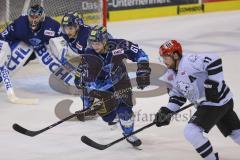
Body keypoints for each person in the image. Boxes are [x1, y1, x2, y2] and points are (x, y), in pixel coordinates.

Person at [155, 40, 240, 159]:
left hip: (214, 103)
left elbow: (214, 60)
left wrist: (213, 84)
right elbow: (178, 97)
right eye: (162, 58)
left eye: (166, 57)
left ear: (175, 55)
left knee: (191, 132)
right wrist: (167, 111)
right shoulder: (170, 75)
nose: (164, 61)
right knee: (235, 132)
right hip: (222, 101)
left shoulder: (189, 61)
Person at [75, 25, 151, 147]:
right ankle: (115, 116)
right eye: (92, 43)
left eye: (98, 43)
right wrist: (87, 103)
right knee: (107, 117)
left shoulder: (119, 45)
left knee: (124, 111)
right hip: (103, 87)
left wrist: (143, 71)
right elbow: (85, 78)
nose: (95, 46)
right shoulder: (89, 53)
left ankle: (129, 133)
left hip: (121, 82)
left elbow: (140, 53)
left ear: (105, 40)